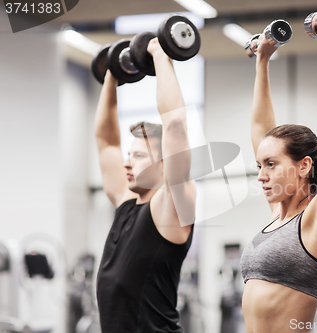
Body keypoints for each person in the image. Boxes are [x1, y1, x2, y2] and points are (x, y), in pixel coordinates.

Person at [240, 11, 317, 333]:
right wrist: (262, 61)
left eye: (271, 165)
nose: (262, 175)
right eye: (260, 166)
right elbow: (261, 131)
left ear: (304, 166)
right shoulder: (278, 213)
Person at [94, 38, 196, 333]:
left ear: (165, 164)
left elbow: (175, 126)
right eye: (130, 155)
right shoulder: (126, 204)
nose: (127, 163)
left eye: (138, 156)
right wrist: (112, 76)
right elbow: (106, 143)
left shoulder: (171, 209)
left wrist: (161, 55)